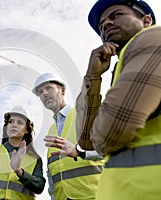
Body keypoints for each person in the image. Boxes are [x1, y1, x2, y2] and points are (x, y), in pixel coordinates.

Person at [75, 0, 161, 199]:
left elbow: (109, 135)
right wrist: (93, 77)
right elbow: (87, 141)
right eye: (101, 25)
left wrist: (100, 133)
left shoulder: (153, 37)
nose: (105, 24)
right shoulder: (123, 65)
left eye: (116, 15)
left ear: (146, 20)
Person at [32, 73, 104, 200]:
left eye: (49, 88)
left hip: (93, 195)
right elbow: (52, 171)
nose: (44, 94)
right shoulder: (51, 130)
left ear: (62, 90)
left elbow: (108, 150)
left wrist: (79, 151)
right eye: (40, 92)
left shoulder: (85, 115)